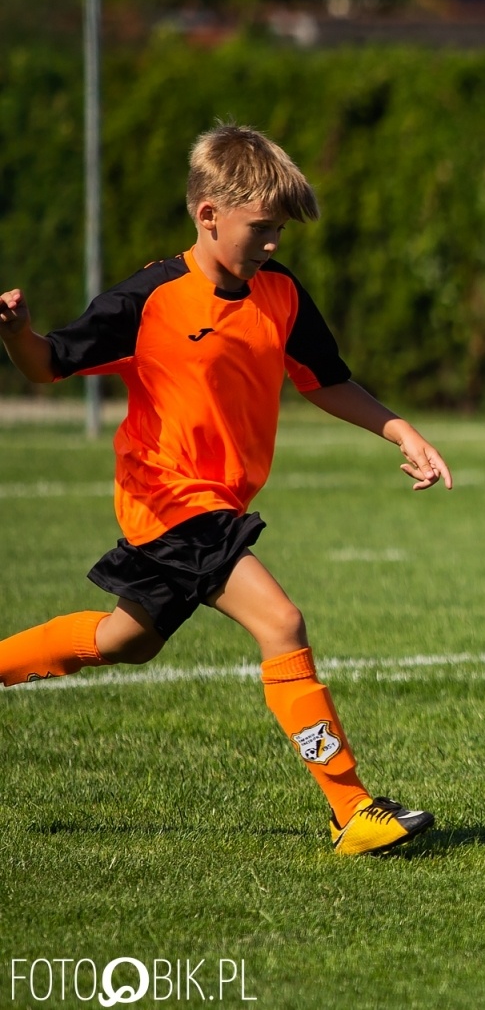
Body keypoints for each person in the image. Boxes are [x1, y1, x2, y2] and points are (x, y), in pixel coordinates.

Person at [0, 124, 449, 855]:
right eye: (261, 227)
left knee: (126, 640)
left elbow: (326, 380)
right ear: (208, 214)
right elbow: (48, 365)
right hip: (168, 499)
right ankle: (351, 810)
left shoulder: (280, 294)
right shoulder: (151, 299)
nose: (273, 242)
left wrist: (402, 431)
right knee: (282, 622)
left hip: (216, 502)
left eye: (279, 229)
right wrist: (16, 331)